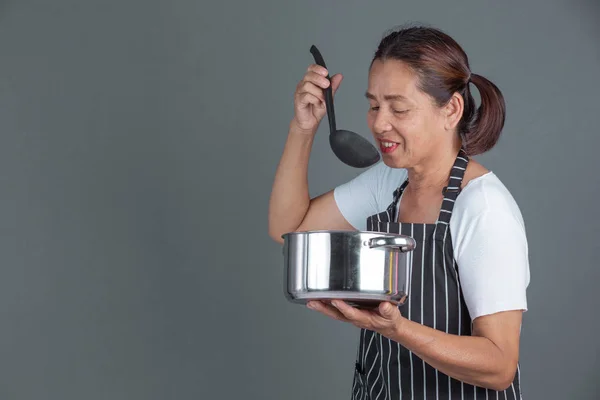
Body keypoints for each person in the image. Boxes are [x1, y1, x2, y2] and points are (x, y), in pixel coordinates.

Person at [268, 25, 530, 399]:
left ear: (451, 109)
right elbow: (289, 228)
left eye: (399, 108)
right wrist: (303, 128)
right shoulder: (389, 182)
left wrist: (395, 328)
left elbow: (500, 365)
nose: (378, 123)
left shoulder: (483, 207)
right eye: (374, 105)